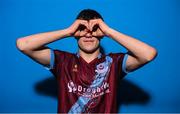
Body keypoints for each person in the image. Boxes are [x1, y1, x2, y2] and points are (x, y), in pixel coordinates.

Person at [16, 9, 157, 113]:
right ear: (75, 34)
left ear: (101, 34)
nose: (88, 34)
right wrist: (67, 31)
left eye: (95, 29)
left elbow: (149, 54)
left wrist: (109, 32)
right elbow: (23, 44)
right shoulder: (63, 61)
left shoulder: (114, 63)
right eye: (82, 29)